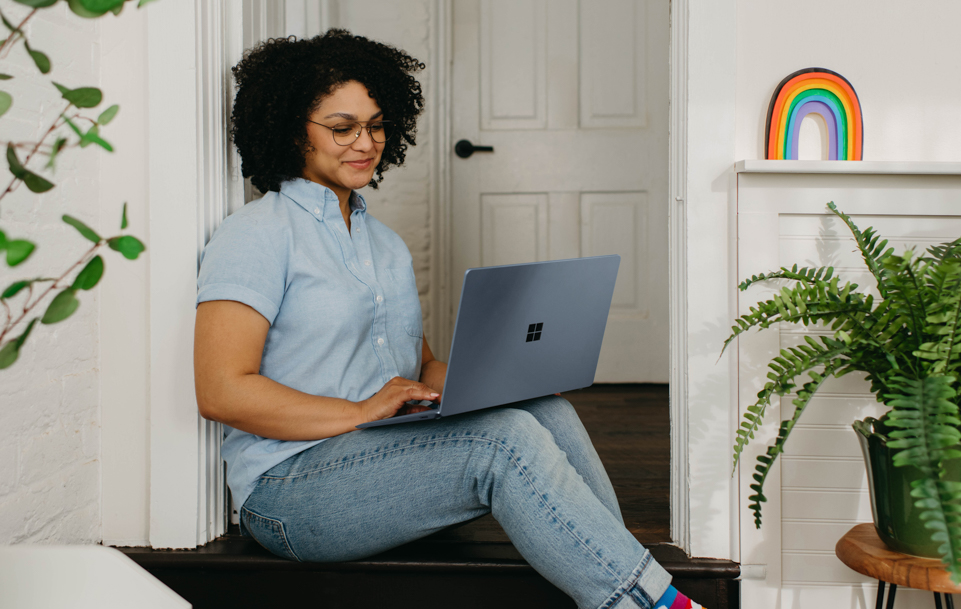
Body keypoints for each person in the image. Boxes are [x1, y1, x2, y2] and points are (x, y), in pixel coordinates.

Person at [193, 29, 702, 609]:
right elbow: (221, 390)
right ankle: (648, 600)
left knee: (545, 410)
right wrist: (359, 411)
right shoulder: (256, 235)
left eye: (376, 125)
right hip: (289, 489)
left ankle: (626, 576)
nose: (365, 143)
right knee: (503, 441)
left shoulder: (384, 245)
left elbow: (422, 367)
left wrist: (509, 382)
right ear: (292, 131)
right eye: (342, 128)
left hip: (379, 452)